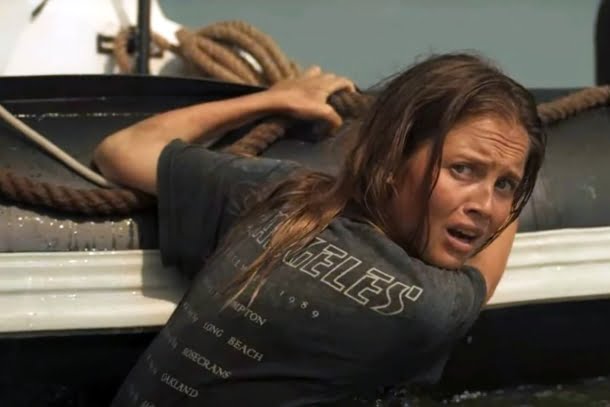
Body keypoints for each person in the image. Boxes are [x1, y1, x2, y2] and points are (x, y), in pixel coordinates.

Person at [93, 53, 545, 406]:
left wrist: (273, 99)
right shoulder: (425, 304)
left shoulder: (281, 193)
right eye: (463, 169)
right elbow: (484, 272)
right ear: (393, 159)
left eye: (504, 186)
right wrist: (511, 177)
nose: (485, 207)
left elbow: (122, 149)